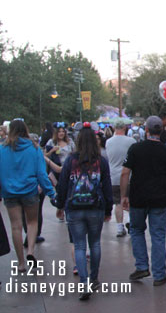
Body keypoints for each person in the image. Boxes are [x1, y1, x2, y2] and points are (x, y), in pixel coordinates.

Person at [53, 123, 113, 301]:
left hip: (74, 207)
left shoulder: (71, 160)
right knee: (95, 244)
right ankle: (94, 278)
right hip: (95, 207)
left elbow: (63, 185)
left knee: (79, 245)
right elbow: (107, 187)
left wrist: (60, 206)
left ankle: (84, 282)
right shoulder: (101, 161)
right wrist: (108, 208)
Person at [120, 116, 166, 286]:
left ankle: (141, 266)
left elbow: (125, 173)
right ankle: (159, 274)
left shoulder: (135, 149)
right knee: (158, 235)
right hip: (160, 198)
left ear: (145, 130)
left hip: (138, 198)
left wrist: (124, 195)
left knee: (137, 230)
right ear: (161, 131)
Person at [0, 119, 56, 272]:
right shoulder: (34, 148)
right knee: (32, 222)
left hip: (10, 193)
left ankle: (20, 262)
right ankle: (30, 250)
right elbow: (41, 173)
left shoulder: (2, 149)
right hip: (30, 191)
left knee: (15, 227)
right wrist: (51, 193)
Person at [105, 120, 136, 237]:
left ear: (114, 128)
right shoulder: (131, 141)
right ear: (125, 128)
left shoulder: (108, 142)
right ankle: (130, 222)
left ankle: (119, 227)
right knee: (130, 201)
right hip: (129, 176)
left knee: (118, 202)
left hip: (113, 176)